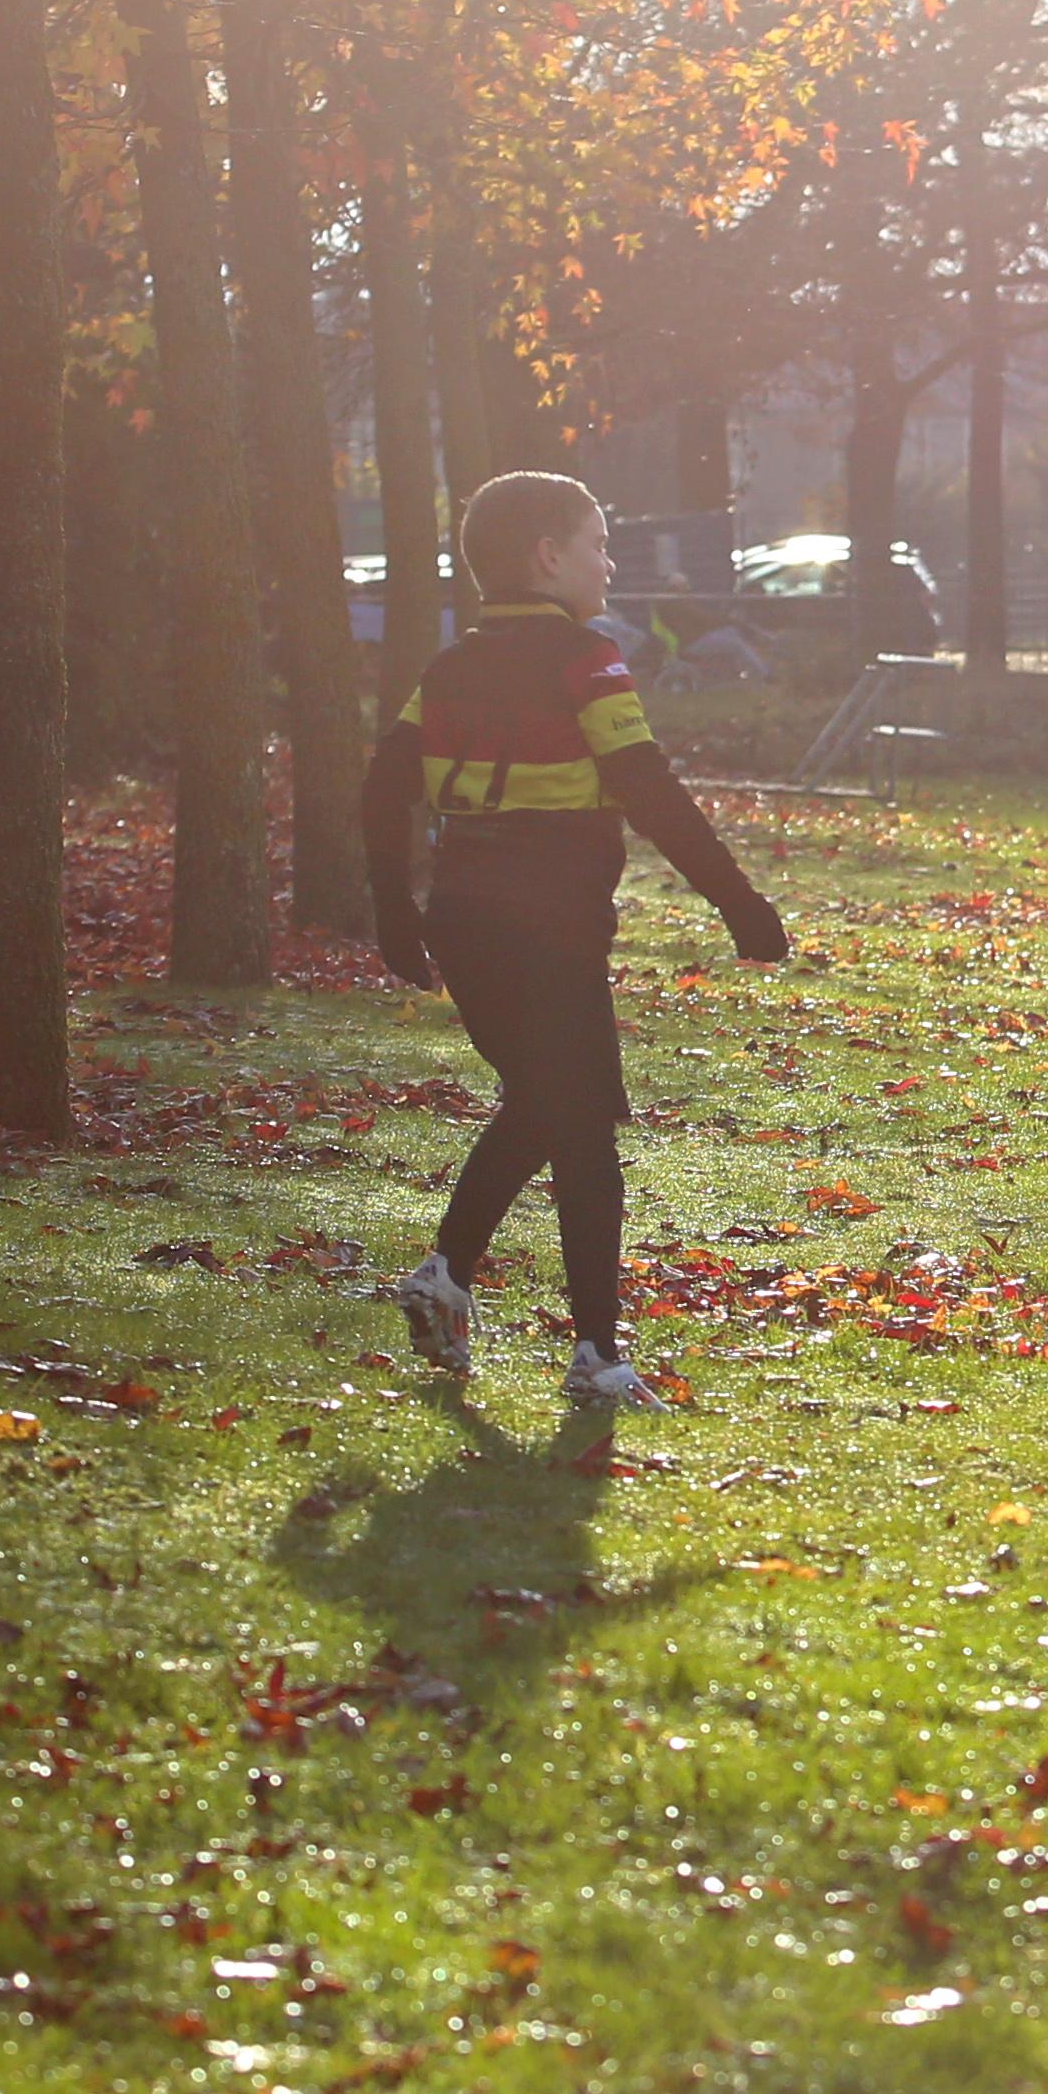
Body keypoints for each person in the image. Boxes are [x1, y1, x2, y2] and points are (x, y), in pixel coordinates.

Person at [359, 469, 791, 1462]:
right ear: (548, 557)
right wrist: (740, 904)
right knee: (577, 1122)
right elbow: (647, 787)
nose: (609, 564)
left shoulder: (450, 667)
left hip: (465, 926)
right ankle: (588, 1351)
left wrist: (396, 911)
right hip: (551, 930)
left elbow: (383, 788)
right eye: (598, 545)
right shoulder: (588, 661)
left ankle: (455, 1280)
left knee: (553, 1108)